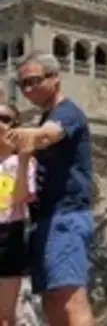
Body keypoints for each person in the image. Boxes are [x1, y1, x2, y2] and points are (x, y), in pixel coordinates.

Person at [3, 52, 94, 326]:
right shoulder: (46, 116)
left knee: (69, 298)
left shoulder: (68, 113)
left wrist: (22, 136)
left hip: (65, 216)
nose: (28, 90)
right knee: (51, 300)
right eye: (23, 85)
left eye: (34, 81)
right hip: (43, 220)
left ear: (55, 79)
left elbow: (48, 135)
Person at [0, 103, 36, 324]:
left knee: (5, 316)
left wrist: (22, 160)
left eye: (5, 119)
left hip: (8, 233)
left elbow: (22, 197)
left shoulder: (23, 163)